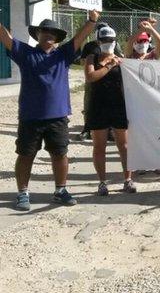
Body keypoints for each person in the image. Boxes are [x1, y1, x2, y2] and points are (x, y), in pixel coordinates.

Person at [0, 11, 100, 211]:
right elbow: (6, 39)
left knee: (60, 154)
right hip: (30, 117)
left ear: (58, 38)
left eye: (53, 32)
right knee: (26, 155)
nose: (48, 34)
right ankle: (22, 193)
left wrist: (92, 21)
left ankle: (60, 191)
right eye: (44, 31)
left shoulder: (63, 55)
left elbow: (80, 37)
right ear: (37, 35)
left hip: (58, 117)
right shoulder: (26, 53)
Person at [84, 26, 135, 195]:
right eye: (104, 40)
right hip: (98, 106)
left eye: (111, 40)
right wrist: (107, 65)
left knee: (125, 145)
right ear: (98, 41)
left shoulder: (121, 61)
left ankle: (128, 180)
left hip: (119, 106)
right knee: (99, 146)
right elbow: (90, 77)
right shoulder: (92, 58)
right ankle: (102, 182)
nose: (108, 44)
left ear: (115, 41)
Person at [76, 22, 123, 142]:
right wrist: (104, 65)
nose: (107, 42)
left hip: (113, 86)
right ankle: (87, 128)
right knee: (89, 104)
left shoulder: (115, 45)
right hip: (94, 85)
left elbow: (120, 56)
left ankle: (111, 131)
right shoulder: (89, 46)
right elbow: (84, 64)